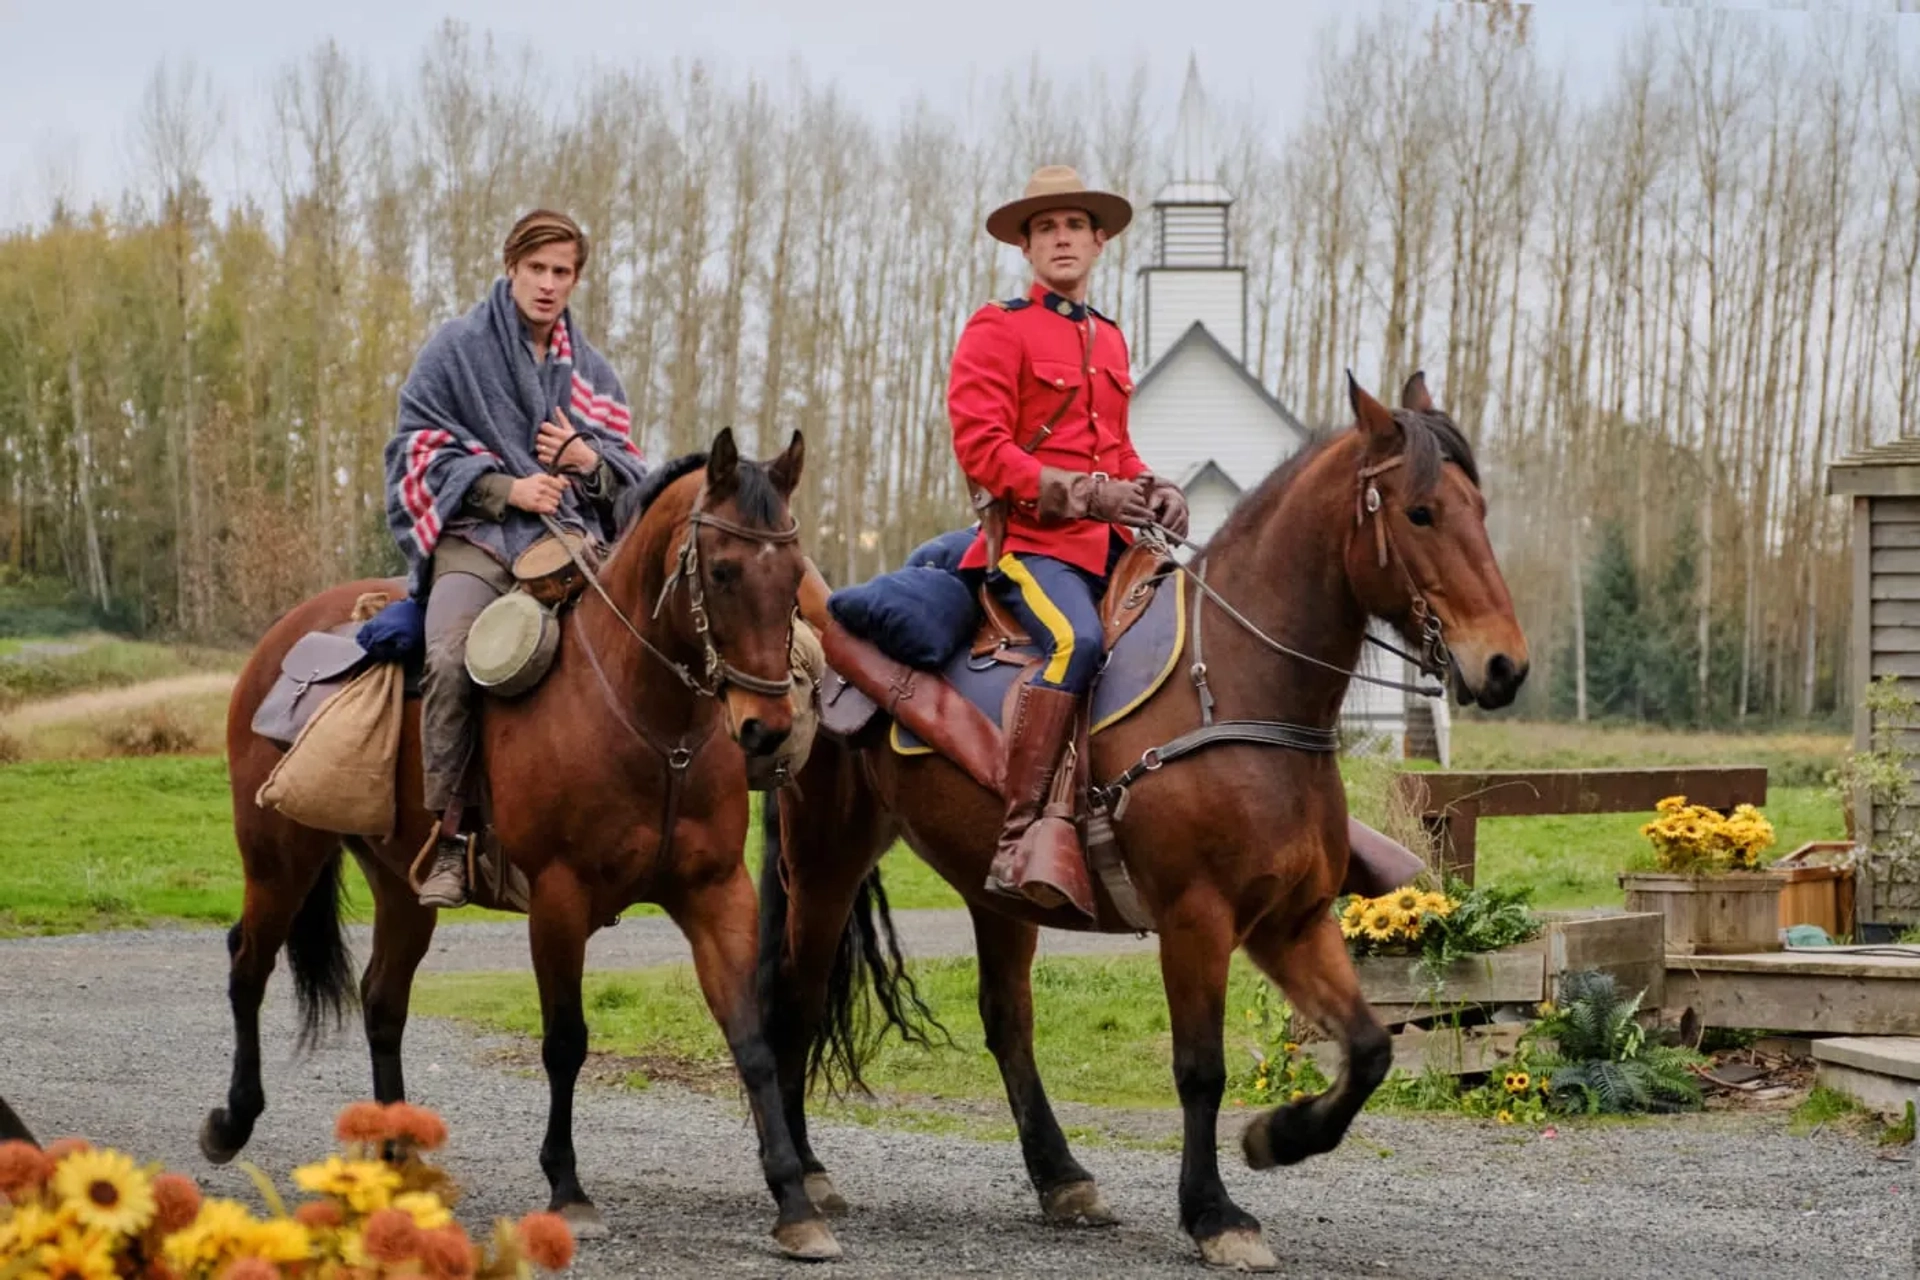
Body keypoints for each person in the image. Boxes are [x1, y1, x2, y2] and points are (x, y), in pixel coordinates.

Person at [384, 209, 649, 908]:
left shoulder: (592, 375)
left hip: (566, 546)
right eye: (537, 269)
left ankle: (595, 831)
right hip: (476, 542)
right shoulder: (456, 350)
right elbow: (414, 449)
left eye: (562, 272)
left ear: (576, 280)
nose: (548, 284)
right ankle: (449, 838)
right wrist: (507, 487)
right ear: (511, 268)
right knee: (449, 657)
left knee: (615, 656)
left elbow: (630, 480)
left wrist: (585, 459)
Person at [947, 165, 1189, 921]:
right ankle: (1022, 834)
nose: (1060, 238)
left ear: (1099, 242)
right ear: (1027, 245)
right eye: (1045, 227)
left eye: (1073, 226)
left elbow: (1113, 449)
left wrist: (1154, 488)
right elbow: (983, 449)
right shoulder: (999, 326)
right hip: (1029, 548)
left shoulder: (1109, 339)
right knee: (1077, 644)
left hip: (1114, 547)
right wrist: (1083, 495)